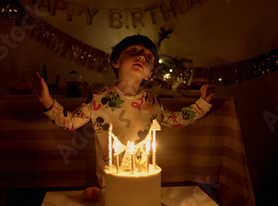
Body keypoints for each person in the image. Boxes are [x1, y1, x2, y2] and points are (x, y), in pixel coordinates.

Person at [32, 35, 214, 185]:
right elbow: (69, 122)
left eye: (148, 57)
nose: (142, 57)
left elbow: (175, 120)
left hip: (144, 181)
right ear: (116, 62)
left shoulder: (152, 101)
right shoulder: (98, 98)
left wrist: (202, 104)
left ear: (150, 74)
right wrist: (47, 100)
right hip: (110, 182)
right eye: (134, 51)